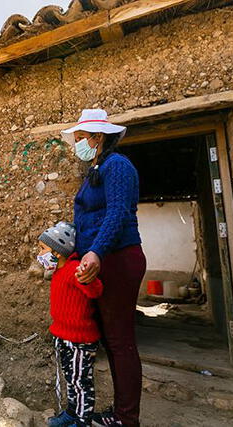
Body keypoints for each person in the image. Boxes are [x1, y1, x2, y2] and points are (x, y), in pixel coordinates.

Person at [61, 109, 146, 427]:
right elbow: (90, 218)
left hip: (118, 258)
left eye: (82, 138)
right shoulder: (98, 168)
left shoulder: (118, 166)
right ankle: (110, 412)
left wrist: (96, 251)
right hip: (101, 260)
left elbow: (118, 213)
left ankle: (126, 419)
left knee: (121, 340)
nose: (78, 143)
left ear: (99, 137)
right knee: (109, 339)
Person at [37, 221, 103, 427]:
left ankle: (83, 422)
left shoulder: (75, 270)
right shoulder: (58, 272)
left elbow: (96, 291)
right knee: (70, 379)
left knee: (81, 383)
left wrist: (87, 278)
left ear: (57, 252)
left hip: (79, 340)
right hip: (62, 336)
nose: (39, 254)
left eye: (42, 249)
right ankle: (72, 414)